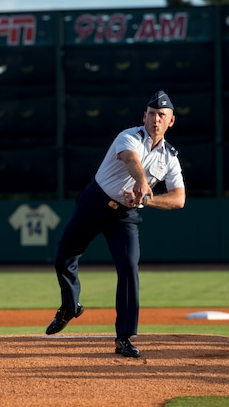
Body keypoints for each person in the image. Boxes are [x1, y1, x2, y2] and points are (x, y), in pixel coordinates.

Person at [45, 90, 186, 357]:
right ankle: (70, 306)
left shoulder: (170, 157)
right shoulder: (129, 136)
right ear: (144, 116)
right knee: (64, 258)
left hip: (125, 216)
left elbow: (179, 199)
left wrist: (145, 200)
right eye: (152, 114)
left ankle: (124, 337)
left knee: (129, 268)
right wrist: (143, 184)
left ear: (171, 121)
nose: (156, 120)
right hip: (95, 203)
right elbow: (130, 159)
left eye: (162, 116)